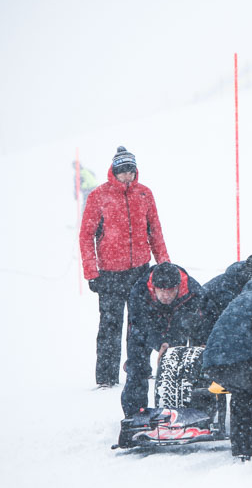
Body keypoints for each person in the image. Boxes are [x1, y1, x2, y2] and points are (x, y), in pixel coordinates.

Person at [79, 146, 170, 388]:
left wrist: (164, 265)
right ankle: (107, 379)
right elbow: (86, 235)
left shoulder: (145, 194)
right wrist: (91, 272)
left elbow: (155, 232)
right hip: (109, 275)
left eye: (131, 171)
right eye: (123, 172)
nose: (128, 176)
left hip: (140, 271)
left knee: (140, 324)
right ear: (114, 171)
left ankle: (139, 370)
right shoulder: (99, 196)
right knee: (110, 327)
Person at [202, 276, 252, 460]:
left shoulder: (237, 301)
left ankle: (242, 448)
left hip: (214, 362)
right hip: (239, 360)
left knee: (241, 396)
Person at [120, 262, 206, 417]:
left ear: (179, 287)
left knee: (182, 368)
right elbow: (139, 325)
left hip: (178, 324)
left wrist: (175, 346)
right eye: (162, 291)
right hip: (148, 324)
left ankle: (186, 411)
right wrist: (159, 343)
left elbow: (196, 323)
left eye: (171, 291)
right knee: (136, 367)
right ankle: (134, 415)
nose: (166, 295)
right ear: (153, 287)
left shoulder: (193, 292)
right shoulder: (139, 291)